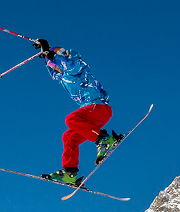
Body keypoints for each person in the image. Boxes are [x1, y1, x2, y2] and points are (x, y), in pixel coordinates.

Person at [32, 38, 123, 185]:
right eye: (53, 66)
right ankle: (69, 172)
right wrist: (46, 56)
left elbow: (69, 64)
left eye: (55, 64)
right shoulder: (63, 76)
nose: (55, 68)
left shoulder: (77, 67)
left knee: (70, 119)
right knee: (69, 137)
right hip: (91, 117)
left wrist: (52, 53)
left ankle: (104, 139)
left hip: (98, 107)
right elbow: (55, 72)